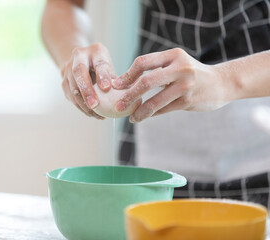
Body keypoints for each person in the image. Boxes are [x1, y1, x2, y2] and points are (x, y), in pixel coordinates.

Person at [41, 0, 270, 208]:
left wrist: (225, 79)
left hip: (259, 124)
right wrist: (71, 59)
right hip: (151, 128)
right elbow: (63, 5)